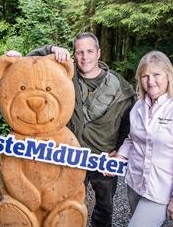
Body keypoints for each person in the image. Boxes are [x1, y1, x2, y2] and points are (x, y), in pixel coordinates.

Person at [17, 32, 136, 227]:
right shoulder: (65, 75)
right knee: (66, 203)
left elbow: (130, 125)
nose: (85, 57)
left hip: (104, 158)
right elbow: (29, 63)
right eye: (79, 52)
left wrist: (120, 151)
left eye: (89, 51)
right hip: (72, 155)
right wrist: (50, 49)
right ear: (74, 54)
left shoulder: (119, 86)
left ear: (98, 53)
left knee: (105, 206)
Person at [115, 50, 173, 226]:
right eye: (145, 76)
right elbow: (131, 139)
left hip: (161, 190)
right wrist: (120, 157)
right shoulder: (138, 107)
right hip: (135, 184)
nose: (151, 81)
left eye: (156, 74)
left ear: (168, 75)